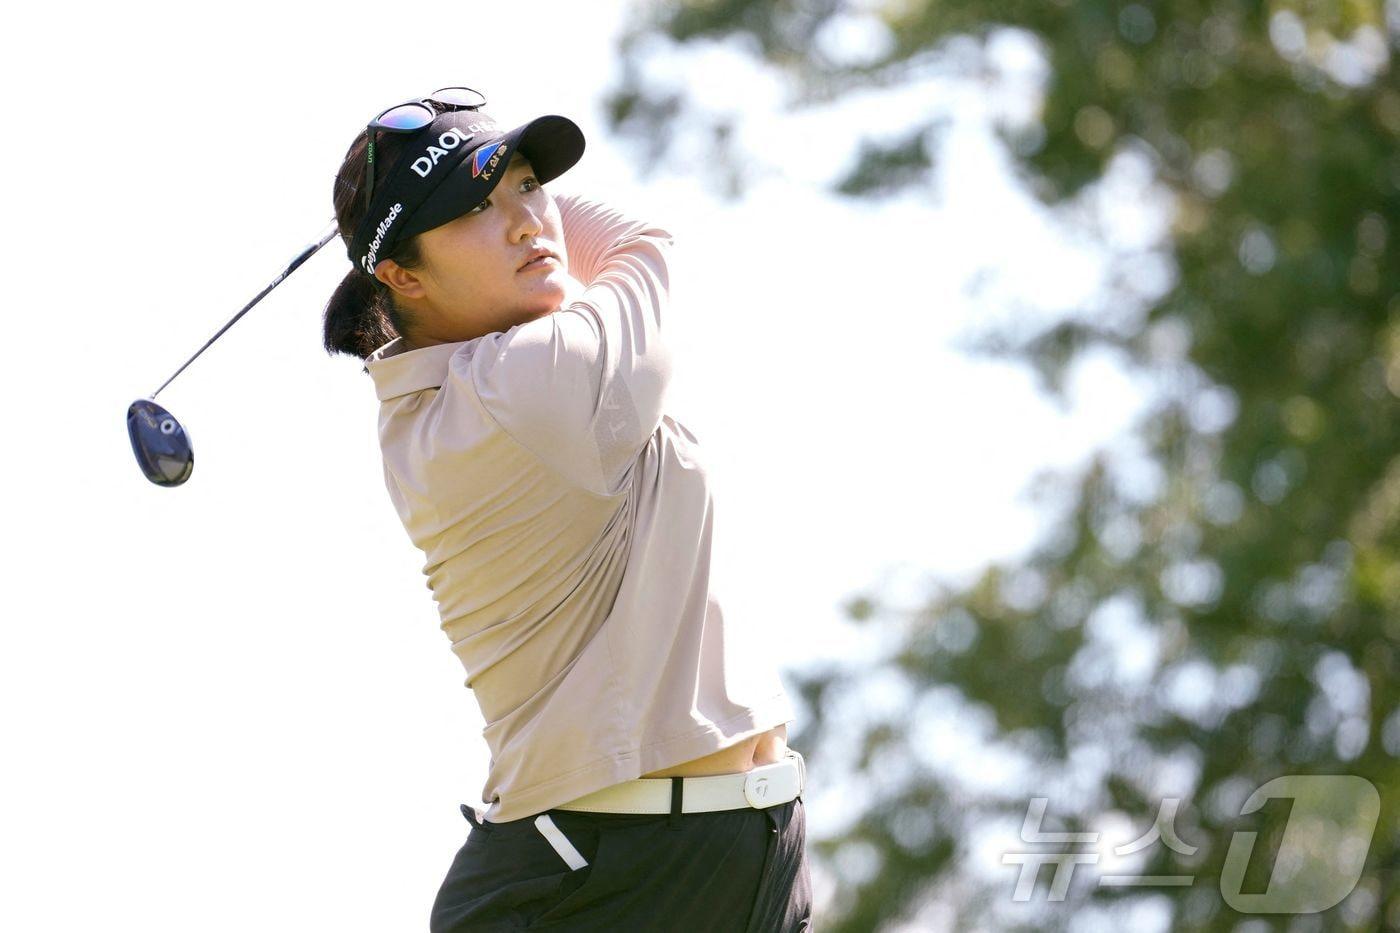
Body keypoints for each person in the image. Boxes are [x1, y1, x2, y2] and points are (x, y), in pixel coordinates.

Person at [321, 87, 813, 932]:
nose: (525, 221)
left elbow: (549, 238)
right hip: (596, 881)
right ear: (401, 274)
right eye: (474, 209)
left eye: (525, 184)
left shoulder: (455, 389)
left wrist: (467, 186)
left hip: (732, 858)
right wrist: (503, 190)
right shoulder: (529, 383)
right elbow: (640, 243)